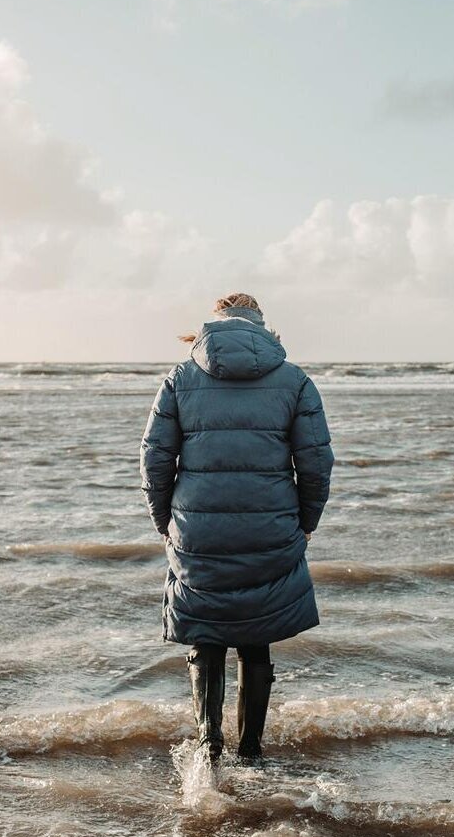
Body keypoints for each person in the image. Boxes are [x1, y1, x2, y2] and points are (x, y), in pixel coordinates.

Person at [140, 293, 334, 763]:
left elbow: (155, 459)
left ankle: (209, 745)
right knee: (255, 633)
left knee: (205, 633)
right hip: (271, 524)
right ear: (261, 327)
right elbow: (316, 462)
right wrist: (306, 523)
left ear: (213, 325)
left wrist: (165, 521)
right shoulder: (294, 380)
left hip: (197, 530)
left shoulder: (180, 378)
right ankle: (250, 752)